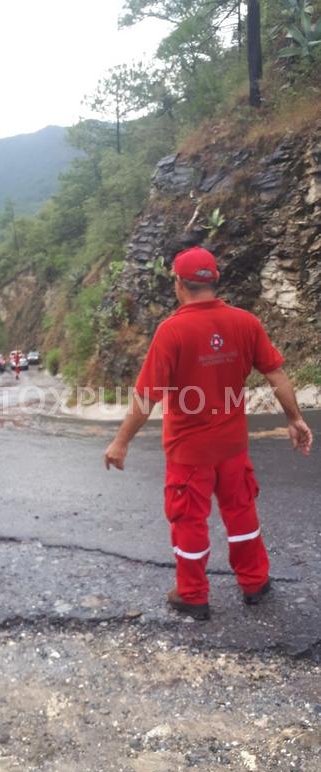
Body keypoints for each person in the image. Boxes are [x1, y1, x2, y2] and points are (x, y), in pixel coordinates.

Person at [104, 247, 313, 620]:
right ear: (215, 282)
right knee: (241, 512)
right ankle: (255, 582)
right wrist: (294, 418)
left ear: (179, 284)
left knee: (189, 521)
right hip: (232, 447)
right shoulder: (245, 322)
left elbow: (146, 396)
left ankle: (193, 595)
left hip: (189, 453)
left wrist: (121, 442)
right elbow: (277, 374)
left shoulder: (172, 331)